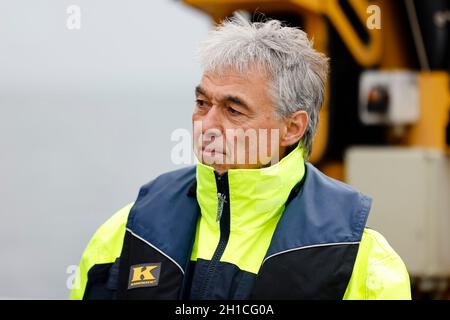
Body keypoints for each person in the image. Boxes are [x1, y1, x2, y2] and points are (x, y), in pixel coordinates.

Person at [70, 15, 411, 300]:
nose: (207, 125)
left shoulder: (363, 263)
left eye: (233, 110)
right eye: (202, 103)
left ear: (292, 128)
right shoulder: (130, 230)